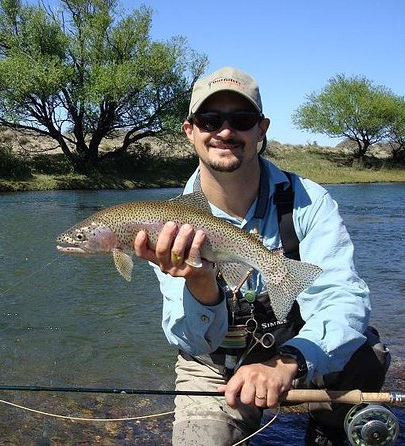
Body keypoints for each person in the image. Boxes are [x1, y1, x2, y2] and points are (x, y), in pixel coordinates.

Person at [133, 67, 390, 445]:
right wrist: (201, 284)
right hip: (214, 369)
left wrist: (290, 361)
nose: (225, 131)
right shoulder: (169, 223)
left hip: (297, 353)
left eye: (241, 119)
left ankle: (327, 428)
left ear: (261, 128)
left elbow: (344, 299)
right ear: (190, 131)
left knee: (367, 353)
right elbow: (190, 341)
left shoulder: (309, 201)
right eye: (210, 119)